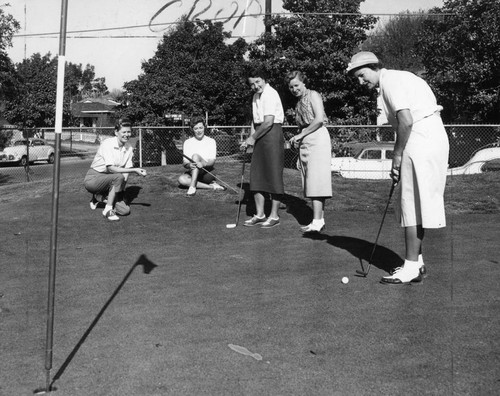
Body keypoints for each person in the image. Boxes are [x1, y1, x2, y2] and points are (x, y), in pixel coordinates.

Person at [347, 51, 449, 285]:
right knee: (415, 203)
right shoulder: (399, 78)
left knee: (411, 204)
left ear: (374, 66)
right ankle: (417, 262)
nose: (361, 82)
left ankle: (411, 266)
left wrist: (397, 154)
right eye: (357, 78)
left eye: (362, 75)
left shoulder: (390, 82)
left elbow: (406, 121)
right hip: (430, 137)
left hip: (420, 138)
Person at [286, 71, 332, 233]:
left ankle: (317, 221)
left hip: (317, 138)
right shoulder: (299, 102)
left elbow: (319, 119)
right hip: (306, 140)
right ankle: (318, 220)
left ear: (304, 83)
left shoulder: (313, 95)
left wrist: (301, 135)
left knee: (316, 180)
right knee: (311, 180)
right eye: (291, 87)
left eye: (296, 85)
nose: (294, 89)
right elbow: (302, 127)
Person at [240, 68, 285, 229]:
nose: (255, 86)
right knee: (257, 175)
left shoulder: (271, 93)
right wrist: (249, 140)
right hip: (260, 133)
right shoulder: (255, 96)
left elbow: (268, 122)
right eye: (252, 84)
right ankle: (260, 214)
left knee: (273, 174)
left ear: (264, 80)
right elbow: (255, 122)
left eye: (258, 81)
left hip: (272, 134)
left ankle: (274, 216)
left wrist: (253, 137)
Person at [84, 118, 147, 221]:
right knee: (118, 176)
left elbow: (125, 173)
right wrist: (135, 170)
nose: (127, 134)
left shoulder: (129, 147)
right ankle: (107, 210)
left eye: (129, 132)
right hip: (93, 180)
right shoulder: (108, 143)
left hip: (111, 181)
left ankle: (98, 198)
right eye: (124, 132)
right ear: (116, 132)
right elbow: (111, 168)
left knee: (125, 210)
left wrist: (120, 193)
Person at [178, 117, 225, 196]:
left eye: (200, 128)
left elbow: (212, 161)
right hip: (192, 172)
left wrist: (203, 164)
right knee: (181, 180)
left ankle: (192, 187)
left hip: (207, 172)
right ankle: (212, 187)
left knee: (195, 156)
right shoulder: (187, 142)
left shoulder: (211, 141)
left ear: (204, 128)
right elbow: (185, 162)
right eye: (196, 128)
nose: (199, 131)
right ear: (192, 129)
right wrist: (189, 165)